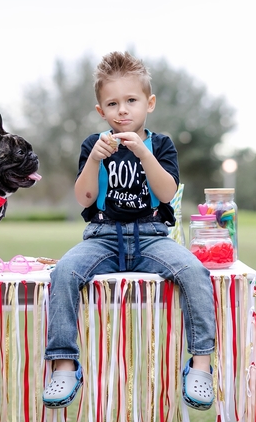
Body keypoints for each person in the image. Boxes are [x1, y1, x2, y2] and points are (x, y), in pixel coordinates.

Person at [42, 51, 216, 411]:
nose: (123, 110)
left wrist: (145, 156)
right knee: (63, 272)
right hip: (102, 237)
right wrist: (94, 160)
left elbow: (167, 192)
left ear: (148, 103)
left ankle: (200, 364)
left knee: (194, 271)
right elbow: (84, 197)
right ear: (100, 111)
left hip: (151, 236)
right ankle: (63, 362)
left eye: (131, 101)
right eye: (113, 103)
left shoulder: (161, 145)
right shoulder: (94, 146)